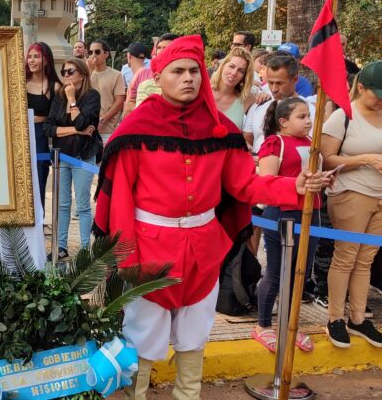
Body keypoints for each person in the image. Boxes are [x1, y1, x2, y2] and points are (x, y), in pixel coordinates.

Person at [93, 35, 331, 400]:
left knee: (194, 336)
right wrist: (126, 257)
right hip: (148, 251)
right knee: (140, 337)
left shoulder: (220, 128)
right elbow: (121, 199)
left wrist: (294, 187)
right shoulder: (137, 128)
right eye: (178, 71)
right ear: (160, 75)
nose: (188, 78)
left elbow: (246, 184)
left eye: (194, 70)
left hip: (203, 251)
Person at [322, 61, 382, 348]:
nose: (381, 100)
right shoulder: (343, 116)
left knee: (365, 259)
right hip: (351, 193)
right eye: (377, 94)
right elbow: (326, 160)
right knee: (346, 256)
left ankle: (358, 318)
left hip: (380, 197)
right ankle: (335, 318)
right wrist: (366, 159)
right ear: (361, 88)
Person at [251, 97, 319, 354]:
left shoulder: (311, 144)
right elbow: (267, 182)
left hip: (311, 215)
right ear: (283, 121)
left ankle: (290, 325)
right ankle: (263, 325)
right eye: (301, 116)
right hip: (281, 214)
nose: (308, 121)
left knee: (300, 271)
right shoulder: (274, 143)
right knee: (277, 272)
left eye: (308, 116)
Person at [44, 58, 100, 259]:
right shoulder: (58, 97)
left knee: (83, 205)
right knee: (63, 204)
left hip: (83, 156)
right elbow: (48, 128)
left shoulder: (92, 96)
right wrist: (76, 130)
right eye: (64, 71)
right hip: (62, 157)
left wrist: (72, 101)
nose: (66, 75)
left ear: (82, 74)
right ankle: (61, 246)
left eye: (70, 71)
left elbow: (84, 121)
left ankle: (85, 249)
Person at [243, 53, 315, 154]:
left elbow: (310, 146)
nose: (274, 89)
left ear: (295, 80)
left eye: (279, 83)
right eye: (270, 82)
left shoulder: (309, 110)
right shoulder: (259, 104)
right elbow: (248, 139)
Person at [25, 42, 61, 210]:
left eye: (36, 56)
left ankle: (38, 223)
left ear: (46, 60)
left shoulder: (55, 86)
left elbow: (57, 118)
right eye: (29, 56)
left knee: (39, 178)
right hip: (20, 134)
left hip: (40, 136)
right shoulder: (20, 82)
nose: (32, 60)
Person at [123, 33, 179, 117]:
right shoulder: (143, 77)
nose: (161, 51)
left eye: (166, 48)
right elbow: (129, 104)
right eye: (159, 47)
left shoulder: (187, 79)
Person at [87, 40, 126, 144]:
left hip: (107, 130)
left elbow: (119, 101)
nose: (93, 55)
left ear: (106, 54)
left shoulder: (116, 75)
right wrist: (88, 71)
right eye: (90, 52)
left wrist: (102, 120)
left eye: (97, 52)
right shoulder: (85, 75)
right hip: (86, 129)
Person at [210, 47, 255, 129]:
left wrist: (263, 96)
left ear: (244, 76)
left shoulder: (247, 99)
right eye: (231, 66)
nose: (234, 73)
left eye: (241, 71)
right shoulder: (204, 92)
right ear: (223, 66)